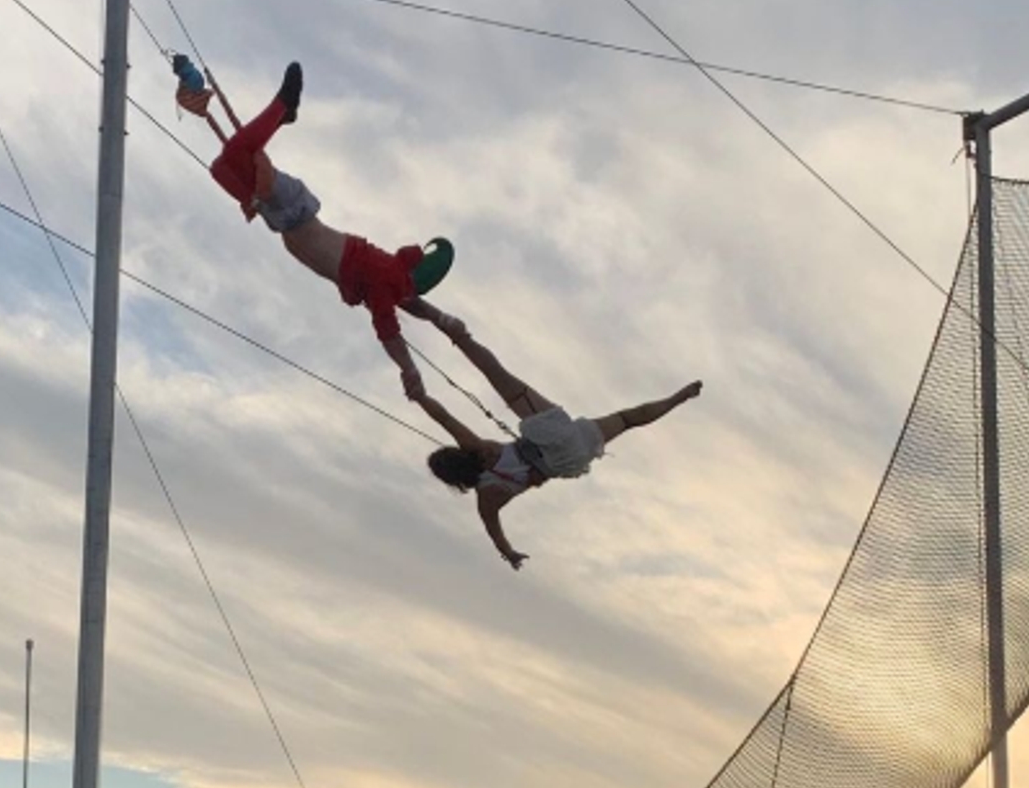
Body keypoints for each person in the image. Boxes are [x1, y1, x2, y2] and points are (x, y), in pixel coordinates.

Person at [178, 58, 456, 399]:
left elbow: (403, 312)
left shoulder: (384, 286)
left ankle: (278, 130)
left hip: (284, 217)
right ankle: (284, 108)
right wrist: (410, 366)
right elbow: (391, 331)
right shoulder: (383, 277)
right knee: (239, 152)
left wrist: (442, 325)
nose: (397, 305)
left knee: (222, 167)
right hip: (293, 210)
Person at [413, 314, 702, 570]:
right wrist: (420, 397)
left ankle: (679, 399)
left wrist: (510, 554)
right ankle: (459, 335)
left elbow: (495, 533)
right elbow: (445, 418)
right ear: (456, 455)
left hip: (570, 461)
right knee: (498, 377)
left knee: (626, 421)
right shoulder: (479, 450)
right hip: (550, 439)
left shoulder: (486, 500)